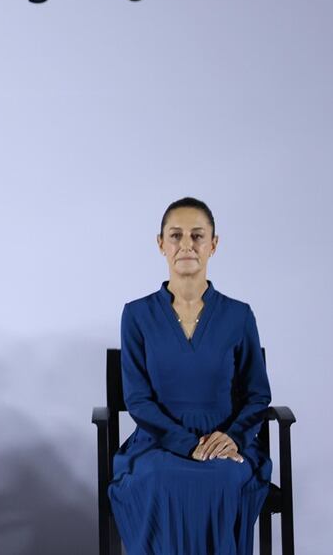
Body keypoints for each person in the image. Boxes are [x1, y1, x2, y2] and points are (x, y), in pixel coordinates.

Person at [109, 197, 272, 554]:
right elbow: (137, 398)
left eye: (197, 236)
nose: (187, 245)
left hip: (224, 441)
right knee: (158, 480)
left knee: (226, 478)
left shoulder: (239, 315)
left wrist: (233, 438)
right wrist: (187, 445)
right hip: (158, 442)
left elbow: (257, 395)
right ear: (161, 244)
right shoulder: (136, 315)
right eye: (176, 235)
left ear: (213, 244)